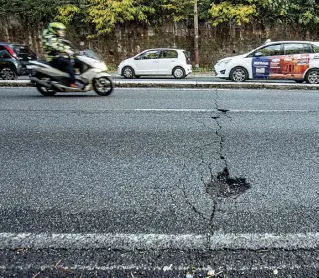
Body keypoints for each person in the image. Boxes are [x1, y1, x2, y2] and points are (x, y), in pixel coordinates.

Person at [42, 22, 79, 88]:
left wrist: (73, 51)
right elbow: (53, 46)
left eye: (62, 30)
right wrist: (65, 50)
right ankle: (71, 82)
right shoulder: (49, 37)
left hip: (60, 56)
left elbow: (63, 45)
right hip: (53, 58)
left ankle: (79, 78)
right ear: (54, 30)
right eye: (60, 30)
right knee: (68, 63)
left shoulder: (58, 37)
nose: (62, 32)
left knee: (78, 61)